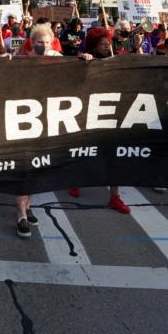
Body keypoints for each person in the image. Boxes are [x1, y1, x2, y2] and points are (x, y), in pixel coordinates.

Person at [73, 28, 131, 214]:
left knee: (114, 155)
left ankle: (115, 197)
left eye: (109, 44)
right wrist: (84, 60)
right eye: (103, 44)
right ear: (94, 46)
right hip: (89, 112)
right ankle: (74, 180)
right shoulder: (86, 59)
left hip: (112, 113)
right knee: (84, 150)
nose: (107, 47)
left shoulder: (117, 59)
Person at [13, 24, 61, 237]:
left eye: (47, 42)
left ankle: (29, 206)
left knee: (37, 167)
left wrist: (85, 59)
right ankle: (21, 214)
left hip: (47, 119)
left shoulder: (58, 58)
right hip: (23, 119)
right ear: (32, 42)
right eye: (40, 42)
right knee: (24, 167)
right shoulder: (21, 60)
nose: (44, 45)